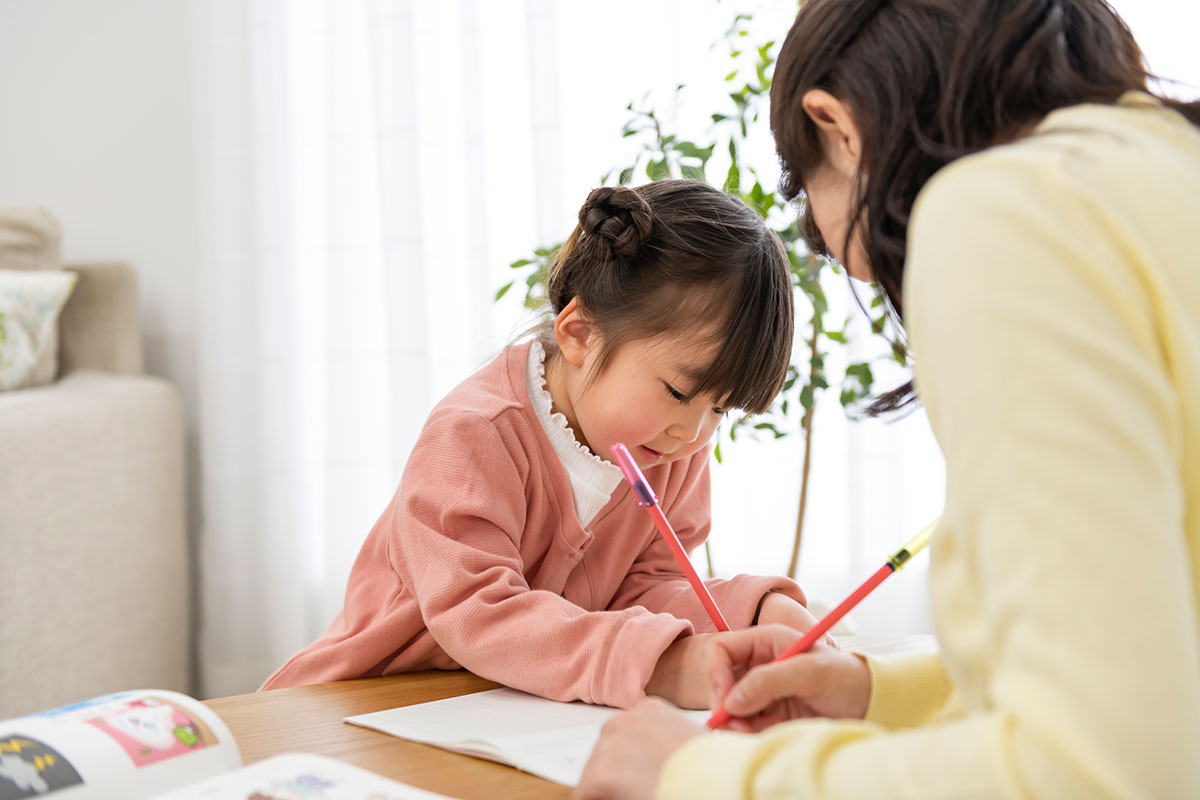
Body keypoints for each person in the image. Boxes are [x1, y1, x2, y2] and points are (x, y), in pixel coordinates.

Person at [577, 0, 1200, 797]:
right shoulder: (1164, 163)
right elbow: (1148, 661)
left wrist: (705, 775)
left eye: (827, 229)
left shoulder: (1003, 209)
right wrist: (879, 694)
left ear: (836, 126)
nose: (866, 273)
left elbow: (1089, 769)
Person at [261, 179, 820, 709]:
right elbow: (480, 615)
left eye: (721, 407)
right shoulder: (475, 434)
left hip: (500, 713)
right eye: (679, 391)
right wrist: (663, 666)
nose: (696, 433)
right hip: (357, 709)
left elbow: (647, 587)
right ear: (579, 334)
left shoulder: (671, 452)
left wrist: (755, 612)